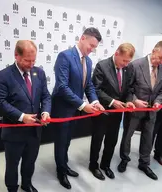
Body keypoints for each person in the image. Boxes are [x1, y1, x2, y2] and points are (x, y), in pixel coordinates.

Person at [51, 27, 105, 190]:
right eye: (91, 45)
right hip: (62, 109)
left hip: (75, 110)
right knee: (61, 142)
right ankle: (60, 172)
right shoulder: (65, 56)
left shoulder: (88, 61)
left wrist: (94, 102)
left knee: (67, 141)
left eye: (95, 47)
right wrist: (83, 105)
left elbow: (88, 85)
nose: (92, 49)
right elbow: (61, 87)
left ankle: (64, 165)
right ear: (82, 38)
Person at [0, 40, 51, 192]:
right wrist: (21, 116)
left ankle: (26, 184)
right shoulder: (4, 76)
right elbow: (0, 102)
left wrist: (45, 111)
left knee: (30, 161)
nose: (31, 64)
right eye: (27, 60)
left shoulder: (39, 73)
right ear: (16, 56)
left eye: (34, 60)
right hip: (14, 132)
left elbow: (45, 96)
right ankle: (12, 188)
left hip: (34, 131)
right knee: (12, 165)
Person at [118, 40, 162, 180]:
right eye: (160, 57)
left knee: (148, 137)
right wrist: (134, 100)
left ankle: (144, 163)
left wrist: (158, 101)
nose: (161, 61)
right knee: (127, 136)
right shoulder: (135, 65)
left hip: (152, 111)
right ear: (154, 50)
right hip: (135, 109)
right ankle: (124, 159)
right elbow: (127, 88)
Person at [89, 43, 136, 180]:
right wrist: (112, 101)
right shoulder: (102, 66)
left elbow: (129, 89)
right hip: (102, 111)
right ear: (116, 53)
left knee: (112, 140)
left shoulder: (128, 69)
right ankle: (93, 165)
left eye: (128, 61)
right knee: (97, 140)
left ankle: (105, 165)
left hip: (117, 113)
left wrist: (128, 101)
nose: (126, 64)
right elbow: (96, 89)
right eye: (124, 60)